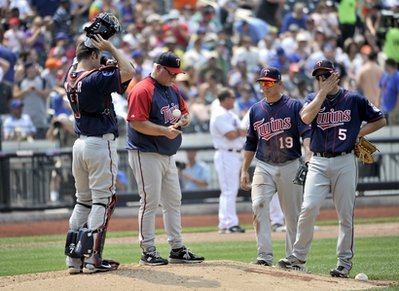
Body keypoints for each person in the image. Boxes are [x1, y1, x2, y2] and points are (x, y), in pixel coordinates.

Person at [278, 59, 386, 278]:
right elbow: (306, 117)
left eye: (325, 75)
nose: (321, 80)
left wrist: (358, 133)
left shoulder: (353, 99)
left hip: (345, 160)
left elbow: (380, 119)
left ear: (335, 75)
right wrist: (321, 94)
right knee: (308, 207)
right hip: (318, 161)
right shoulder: (312, 98)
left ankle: (344, 263)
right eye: (318, 77)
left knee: (345, 215)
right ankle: (297, 257)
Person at [63, 14, 135, 274]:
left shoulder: (71, 74)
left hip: (79, 145)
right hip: (99, 144)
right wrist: (111, 47)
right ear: (95, 55)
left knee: (82, 201)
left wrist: (93, 40)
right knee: (101, 202)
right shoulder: (95, 78)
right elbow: (130, 71)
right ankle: (93, 260)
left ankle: (73, 261)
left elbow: (83, 56)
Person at [126, 51, 204, 266]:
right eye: (171, 73)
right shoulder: (142, 89)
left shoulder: (172, 89)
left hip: (167, 153)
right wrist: (163, 131)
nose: (174, 77)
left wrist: (185, 119)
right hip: (145, 152)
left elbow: (184, 112)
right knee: (150, 202)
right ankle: (148, 250)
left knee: (173, 201)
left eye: (177, 74)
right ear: (158, 68)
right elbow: (136, 123)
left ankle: (177, 248)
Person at [240, 67, 311, 266]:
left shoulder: (294, 106)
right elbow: (251, 142)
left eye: (269, 82)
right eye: (262, 83)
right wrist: (245, 169)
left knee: (292, 215)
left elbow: (306, 133)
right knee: (258, 204)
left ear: (280, 84)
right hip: (264, 165)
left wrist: (308, 156)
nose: (265, 86)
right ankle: (264, 256)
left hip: (290, 164)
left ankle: (293, 259)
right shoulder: (255, 110)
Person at [210, 87, 247, 234]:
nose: (234, 100)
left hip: (234, 154)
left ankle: (226, 223)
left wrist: (238, 131)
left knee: (229, 190)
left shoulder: (230, 114)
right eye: (232, 97)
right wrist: (238, 131)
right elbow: (231, 135)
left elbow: (242, 131)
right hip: (225, 154)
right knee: (228, 190)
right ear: (224, 99)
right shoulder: (218, 114)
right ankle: (229, 223)